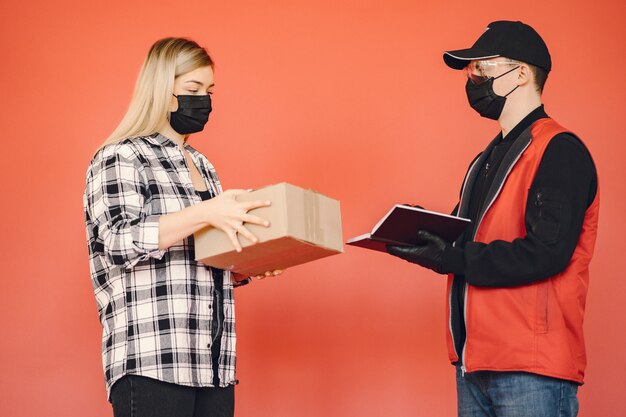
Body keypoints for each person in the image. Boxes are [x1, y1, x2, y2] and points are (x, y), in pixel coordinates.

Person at [386, 21, 599, 417]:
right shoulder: (485, 160)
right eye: (471, 71)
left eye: (482, 68)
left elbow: (546, 253)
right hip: (474, 364)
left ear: (521, 73)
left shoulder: (559, 151)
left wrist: (451, 257)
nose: (473, 79)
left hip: (531, 368)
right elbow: (464, 238)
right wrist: (418, 231)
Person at [84, 37, 280, 417]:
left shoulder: (203, 165)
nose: (203, 100)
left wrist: (250, 265)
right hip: (153, 359)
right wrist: (206, 213)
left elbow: (199, 254)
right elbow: (119, 241)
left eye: (209, 90)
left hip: (213, 366)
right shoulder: (121, 155)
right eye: (192, 89)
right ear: (161, 89)